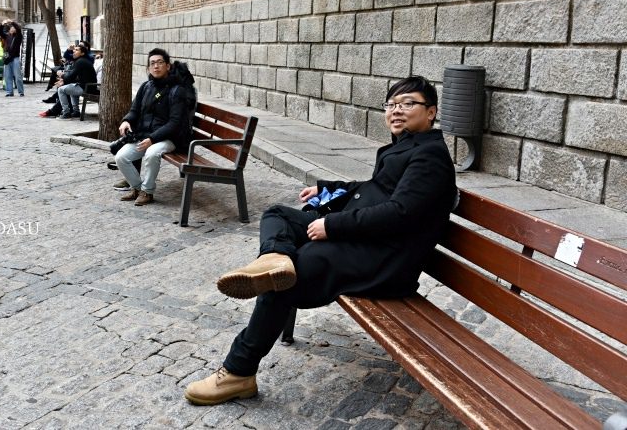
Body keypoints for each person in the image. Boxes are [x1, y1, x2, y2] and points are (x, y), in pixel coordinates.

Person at [183, 76, 458, 406]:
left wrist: (333, 225)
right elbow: (376, 188)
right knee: (278, 215)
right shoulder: (409, 146)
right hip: (369, 241)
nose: (397, 110)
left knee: (286, 278)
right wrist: (328, 189)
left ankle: (238, 373)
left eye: (407, 103)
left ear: (431, 112)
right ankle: (274, 259)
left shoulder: (430, 157)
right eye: (391, 104)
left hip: (385, 259)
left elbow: (400, 213)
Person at [113, 48, 188, 207]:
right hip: (145, 135)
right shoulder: (146, 87)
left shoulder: (177, 90)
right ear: (148, 68)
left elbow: (174, 123)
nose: (156, 66)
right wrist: (126, 120)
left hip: (169, 138)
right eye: (152, 63)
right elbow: (134, 110)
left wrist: (152, 139)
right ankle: (138, 188)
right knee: (121, 157)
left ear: (168, 66)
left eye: (160, 62)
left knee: (152, 153)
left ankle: (147, 192)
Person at [55, 43, 97, 119]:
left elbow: (71, 76)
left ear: (82, 53)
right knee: (71, 87)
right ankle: (76, 111)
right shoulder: (81, 60)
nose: (74, 51)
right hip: (88, 86)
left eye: (77, 50)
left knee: (61, 90)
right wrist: (64, 81)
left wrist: (61, 75)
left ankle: (66, 113)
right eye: (74, 50)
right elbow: (76, 78)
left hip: (87, 88)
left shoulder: (80, 62)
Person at [0, 20, 23, 97]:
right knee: (8, 76)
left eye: (13, 28)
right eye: (11, 28)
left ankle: (20, 91)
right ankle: (9, 92)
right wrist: (2, 24)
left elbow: (18, 29)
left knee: (18, 76)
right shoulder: (7, 36)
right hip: (7, 59)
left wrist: (12, 22)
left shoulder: (18, 36)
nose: (13, 29)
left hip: (15, 58)